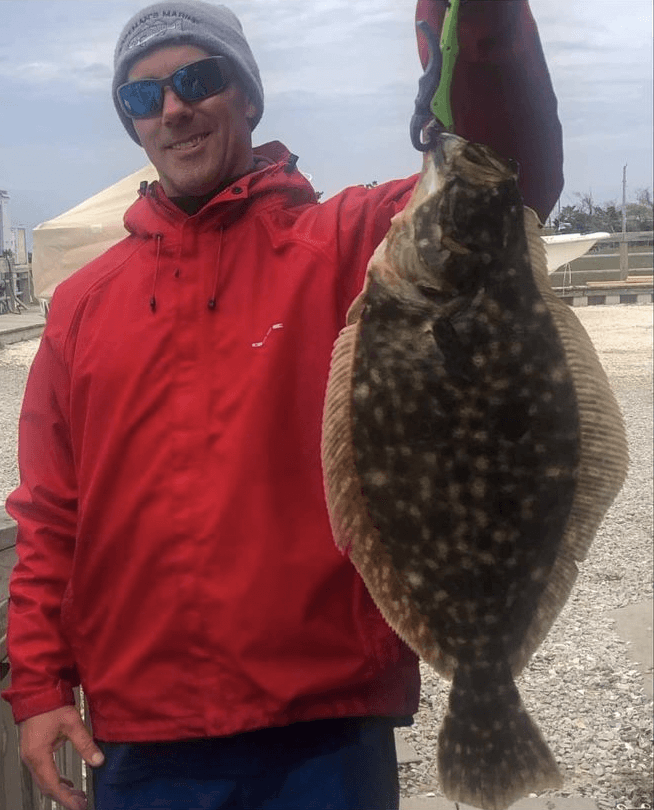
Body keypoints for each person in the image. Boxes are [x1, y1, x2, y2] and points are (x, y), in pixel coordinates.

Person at [2, 1, 563, 809]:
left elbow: (501, 175)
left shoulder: (354, 242)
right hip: (139, 736)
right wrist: (41, 686)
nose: (174, 108)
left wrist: (478, 24)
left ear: (249, 96)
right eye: (142, 96)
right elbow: (50, 510)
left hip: (324, 728)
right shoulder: (83, 302)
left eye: (199, 79)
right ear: (131, 125)